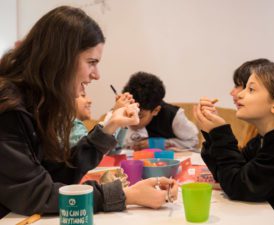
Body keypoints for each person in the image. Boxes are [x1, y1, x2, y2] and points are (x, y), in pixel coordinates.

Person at [0, 6, 178, 218]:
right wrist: (126, 195)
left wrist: (108, 128)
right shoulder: (8, 107)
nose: (97, 75)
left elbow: (57, 176)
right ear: (60, 59)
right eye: (91, 62)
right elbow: (36, 195)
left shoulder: (35, 103)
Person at [194, 61, 274, 224]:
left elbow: (238, 187)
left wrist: (220, 134)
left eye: (250, 89)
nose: (240, 94)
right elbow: (228, 175)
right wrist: (210, 132)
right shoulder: (264, 138)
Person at [105, 71, 199, 150]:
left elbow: (193, 141)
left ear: (156, 110)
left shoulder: (173, 116)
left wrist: (160, 144)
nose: (132, 120)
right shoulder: (118, 113)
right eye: (129, 113)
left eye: (140, 116)